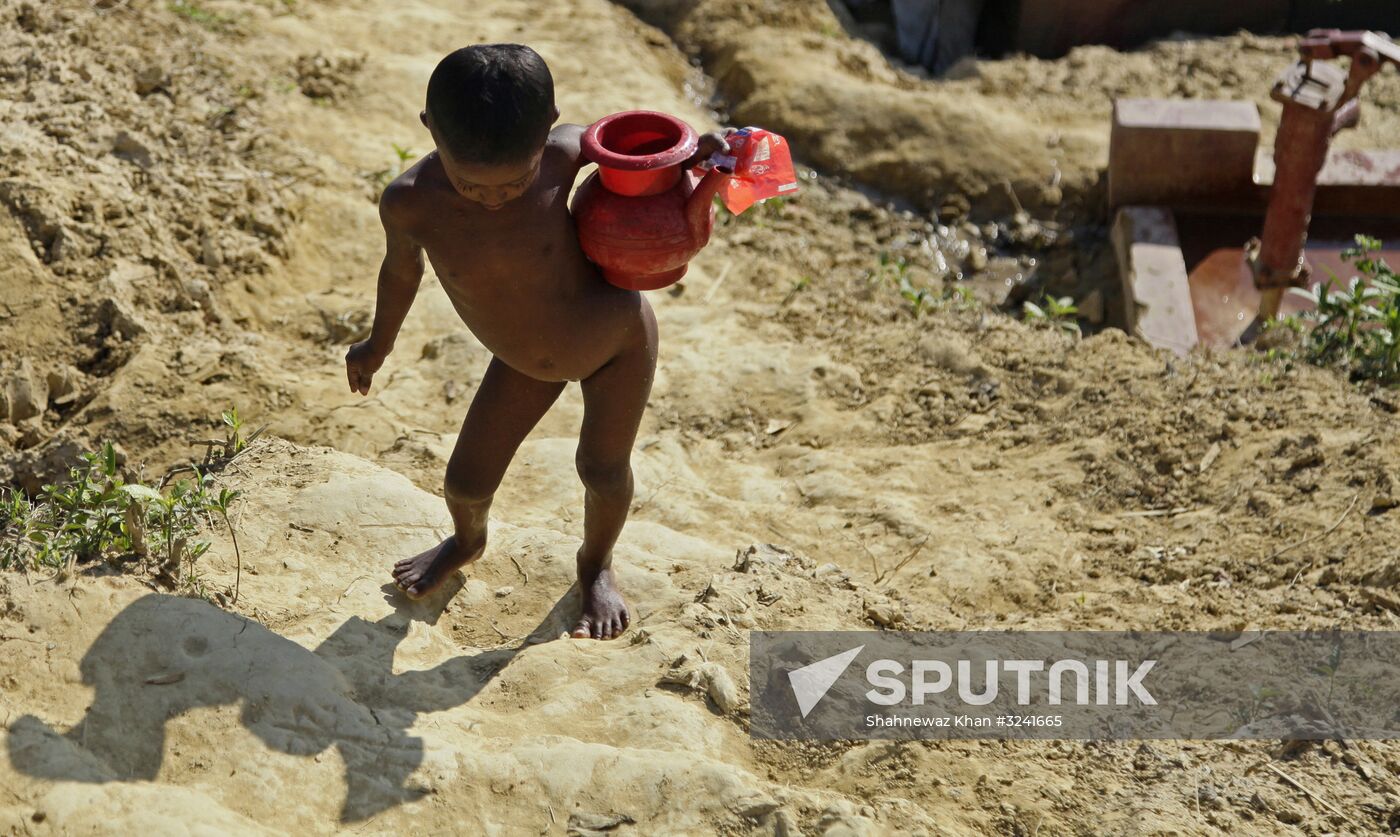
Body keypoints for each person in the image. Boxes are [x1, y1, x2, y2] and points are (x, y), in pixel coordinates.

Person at [344, 44, 726, 640]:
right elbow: (401, 273)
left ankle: (595, 566)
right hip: (523, 362)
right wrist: (378, 344)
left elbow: (651, 160)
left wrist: (701, 155)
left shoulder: (565, 152)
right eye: (472, 187)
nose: (495, 197)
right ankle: (468, 541)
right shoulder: (411, 201)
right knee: (465, 484)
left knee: (601, 469)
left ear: (549, 127)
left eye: (514, 182)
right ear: (429, 131)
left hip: (615, 340)